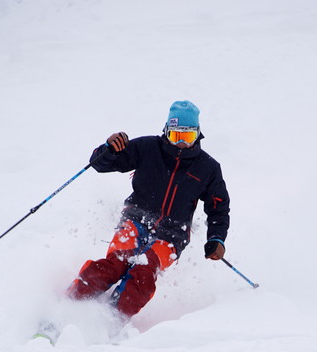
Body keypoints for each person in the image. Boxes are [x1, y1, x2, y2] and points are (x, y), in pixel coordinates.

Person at [66, 100, 230, 317]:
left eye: (187, 136)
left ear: (198, 135)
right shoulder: (147, 148)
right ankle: (69, 304)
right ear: (166, 131)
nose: (181, 143)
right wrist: (109, 149)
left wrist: (216, 239)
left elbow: (218, 208)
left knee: (145, 271)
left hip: (172, 235)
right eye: (175, 135)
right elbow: (100, 164)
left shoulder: (208, 167)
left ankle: (113, 319)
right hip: (135, 220)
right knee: (116, 263)